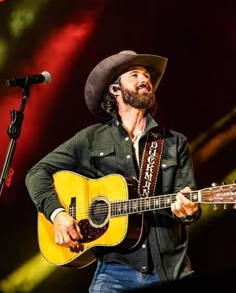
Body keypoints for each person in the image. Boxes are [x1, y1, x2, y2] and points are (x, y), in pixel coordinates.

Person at [25, 50, 201, 292]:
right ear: (115, 90)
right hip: (113, 272)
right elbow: (37, 173)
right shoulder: (90, 139)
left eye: (147, 76)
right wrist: (58, 214)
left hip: (170, 268)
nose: (145, 80)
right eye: (134, 75)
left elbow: (188, 203)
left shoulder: (174, 142)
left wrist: (189, 210)